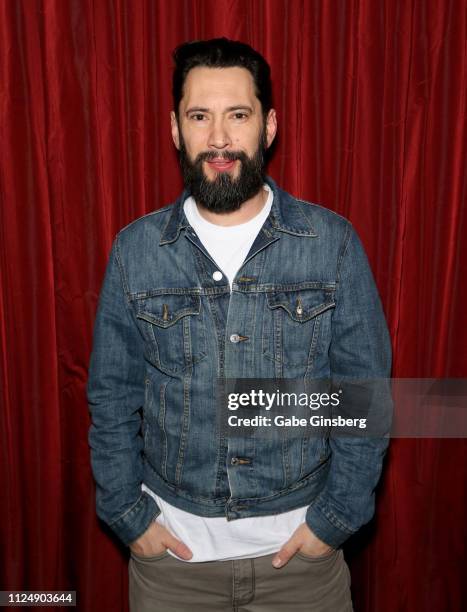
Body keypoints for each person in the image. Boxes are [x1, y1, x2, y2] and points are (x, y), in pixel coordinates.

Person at [87, 37, 392, 612]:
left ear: (269, 126)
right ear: (176, 129)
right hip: (172, 569)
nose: (220, 139)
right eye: (200, 116)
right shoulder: (136, 250)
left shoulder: (333, 245)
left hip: (302, 568)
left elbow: (367, 398)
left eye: (238, 115)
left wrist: (336, 520)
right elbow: (111, 396)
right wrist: (128, 515)